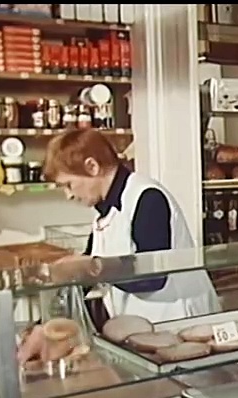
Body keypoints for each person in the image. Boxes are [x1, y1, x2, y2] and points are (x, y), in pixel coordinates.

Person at [18, 129, 220, 362]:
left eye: (69, 185)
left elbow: (153, 277)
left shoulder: (148, 198)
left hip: (181, 326)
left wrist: (90, 266)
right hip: (146, 333)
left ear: (92, 167)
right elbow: (86, 278)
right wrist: (44, 326)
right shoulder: (105, 212)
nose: (68, 195)